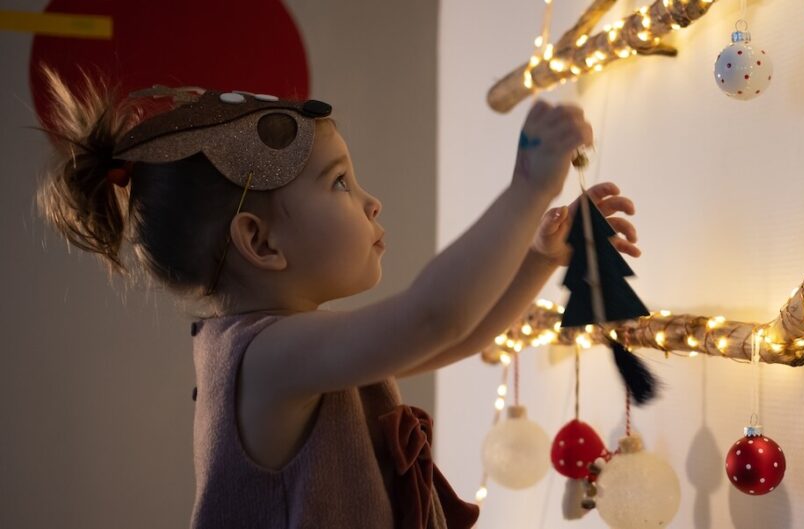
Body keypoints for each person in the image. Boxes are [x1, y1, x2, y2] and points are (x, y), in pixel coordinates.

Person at [34, 67, 641, 528]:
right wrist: (526, 190)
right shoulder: (267, 360)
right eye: (340, 183)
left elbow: (461, 334)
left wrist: (539, 256)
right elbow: (432, 316)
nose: (370, 202)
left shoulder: (304, 350)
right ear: (260, 241)